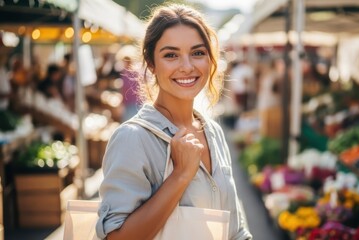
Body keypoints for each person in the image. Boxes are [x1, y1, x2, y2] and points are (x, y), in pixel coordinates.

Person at [96, 4, 252, 240]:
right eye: (171, 55)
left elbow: (235, 228)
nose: (187, 66)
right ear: (150, 63)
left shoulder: (214, 132)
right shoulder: (133, 138)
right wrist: (179, 176)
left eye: (198, 53)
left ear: (211, 59)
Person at [119, 56, 141, 122]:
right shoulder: (134, 72)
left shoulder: (130, 73)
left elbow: (124, 89)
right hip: (132, 102)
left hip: (133, 103)